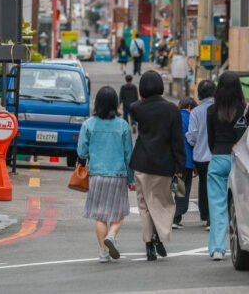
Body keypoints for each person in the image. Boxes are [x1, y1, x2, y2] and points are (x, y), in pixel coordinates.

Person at [129, 70, 186, 261]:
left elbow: (137, 110)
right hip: (164, 165)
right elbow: (177, 140)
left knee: (144, 205)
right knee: (164, 203)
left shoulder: (136, 108)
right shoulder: (172, 110)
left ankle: (149, 245)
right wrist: (180, 166)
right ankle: (159, 236)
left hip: (141, 163)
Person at [77, 86, 134, 263]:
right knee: (118, 214)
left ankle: (103, 252)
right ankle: (112, 235)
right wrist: (131, 179)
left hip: (96, 175)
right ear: (116, 104)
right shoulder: (123, 125)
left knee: (100, 216)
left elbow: (82, 152)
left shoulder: (88, 124)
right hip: (118, 175)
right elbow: (128, 155)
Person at [206, 72, 249, 261]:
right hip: (239, 161)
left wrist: (218, 151)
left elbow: (210, 140)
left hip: (218, 158)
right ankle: (245, 245)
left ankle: (218, 249)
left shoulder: (211, 111)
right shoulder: (246, 109)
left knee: (217, 206)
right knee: (241, 205)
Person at [185, 80, 216, 230]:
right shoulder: (220, 108)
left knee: (203, 185)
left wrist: (190, 139)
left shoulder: (196, 112)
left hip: (201, 156)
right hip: (217, 154)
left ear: (199, 94)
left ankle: (204, 216)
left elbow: (192, 137)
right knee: (217, 186)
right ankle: (213, 218)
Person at [173, 97, 197, 229]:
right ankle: (176, 217)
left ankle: (175, 217)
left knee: (177, 188)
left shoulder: (174, 117)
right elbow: (193, 140)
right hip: (187, 160)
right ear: (189, 107)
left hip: (175, 160)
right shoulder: (191, 118)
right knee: (182, 190)